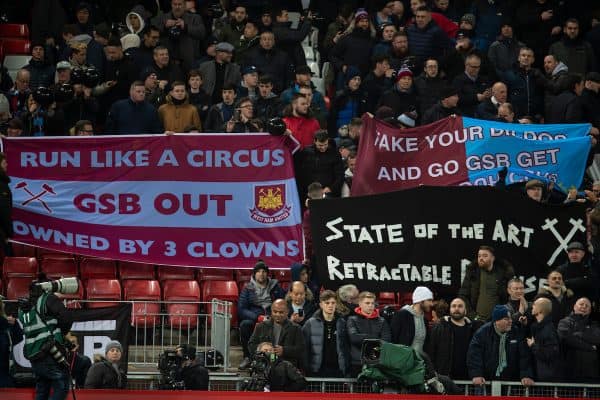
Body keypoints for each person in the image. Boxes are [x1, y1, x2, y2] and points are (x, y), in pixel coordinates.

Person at [19, 274, 74, 400]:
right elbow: (66, 318)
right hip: (50, 352)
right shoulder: (47, 298)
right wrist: (60, 334)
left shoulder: (24, 307)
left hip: (34, 353)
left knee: (42, 389)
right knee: (62, 385)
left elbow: (41, 328)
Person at [467, 305, 534, 387]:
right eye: (506, 319)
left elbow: (524, 356)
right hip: (486, 383)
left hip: (511, 383)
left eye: (510, 318)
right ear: (496, 321)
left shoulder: (516, 332)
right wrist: (476, 374)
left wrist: (526, 375)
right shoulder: (482, 333)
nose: (510, 321)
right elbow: (474, 355)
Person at [238, 260, 286, 369]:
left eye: (264, 271)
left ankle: (275, 360)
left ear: (267, 273)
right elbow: (241, 309)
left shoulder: (275, 286)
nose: (261, 274)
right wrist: (256, 317)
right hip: (255, 317)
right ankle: (248, 357)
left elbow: (283, 301)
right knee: (245, 325)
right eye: (258, 271)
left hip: (273, 316)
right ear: (254, 274)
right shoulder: (248, 288)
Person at [459, 245, 515, 321]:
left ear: (492, 258)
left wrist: (504, 315)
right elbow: (463, 295)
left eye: (485, 256)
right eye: (479, 256)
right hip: (478, 320)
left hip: (498, 320)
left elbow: (511, 296)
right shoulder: (473, 273)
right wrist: (473, 316)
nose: (481, 258)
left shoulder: (503, 274)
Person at [302, 290, 349, 377]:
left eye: (333, 303)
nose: (330, 305)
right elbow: (304, 348)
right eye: (327, 303)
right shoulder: (310, 323)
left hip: (337, 370)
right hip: (316, 370)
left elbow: (346, 347)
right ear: (321, 305)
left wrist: (345, 366)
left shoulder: (342, 323)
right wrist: (307, 367)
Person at [248, 299, 305, 369]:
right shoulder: (261, 326)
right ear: (271, 311)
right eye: (275, 312)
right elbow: (251, 345)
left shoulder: (296, 328)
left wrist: (284, 351)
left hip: (287, 369)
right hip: (264, 367)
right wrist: (261, 348)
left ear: (287, 312)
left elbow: (301, 350)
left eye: (281, 312)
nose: (277, 315)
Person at [426, 298, 474, 380]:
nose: (456, 309)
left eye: (460, 306)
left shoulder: (472, 329)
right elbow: (431, 352)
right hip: (444, 377)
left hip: (467, 378)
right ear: (450, 309)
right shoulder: (440, 327)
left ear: (465, 310)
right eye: (454, 306)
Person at [345, 291, 391, 376]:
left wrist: (366, 339)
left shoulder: (382, 321)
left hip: (377, 363)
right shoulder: (352, 319)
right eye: (367, 303)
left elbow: (386, 341)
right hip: (357, 363)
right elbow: (354, 338)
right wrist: (376, 338)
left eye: (372, 303)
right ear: (360, 304)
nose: (370, 305)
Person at [153, 0, 206, 71]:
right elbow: (152, 33)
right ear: (171, 5)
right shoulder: (162, 18)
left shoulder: (195, 18)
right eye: (175, 4)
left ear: (184, 5)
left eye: (179, 4)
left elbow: (201, 33)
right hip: (166, 61)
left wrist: (185, 27)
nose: (177, 7)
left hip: (188, 61)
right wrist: (165, 27)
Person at [557, 297, 600, 383]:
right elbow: (567, 339)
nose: (584, 307)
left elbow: (597, 339)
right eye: (581, 304)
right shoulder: (564, 322)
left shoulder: (595, 324)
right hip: (570, 372)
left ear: (590, 310)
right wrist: (590, 347)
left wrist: (579, 334)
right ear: (574, 307)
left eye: (587, 306)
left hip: (591, 372)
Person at [295, 130, 345, 201]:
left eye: (325, 144)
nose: (323, 147)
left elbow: (340, 174)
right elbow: (300, 173)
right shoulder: (306, 152)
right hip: (310, 193)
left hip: (330, 193)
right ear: (315, 141)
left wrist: (331, 188)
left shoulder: (335, 153)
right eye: (320, 145)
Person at [391, 286, 433, 355]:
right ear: (420, 301)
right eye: (429, 300)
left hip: (419, 363)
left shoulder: (425, 320)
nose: (432, 304)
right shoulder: (401, 315)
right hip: (403, 362)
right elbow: (393, 341)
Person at [527, 297, 561, 381]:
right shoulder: (536, 326)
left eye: (534, 305)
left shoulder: (549, 329)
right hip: (538, 375)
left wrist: (532, 345)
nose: (532, 307)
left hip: (547, 377)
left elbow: (549, 354)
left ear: (540, 310)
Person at [452, 53, 492, 117]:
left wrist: (488, 95)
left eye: (478, 67)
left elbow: (489, 96)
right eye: (474, 67)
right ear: (466, 65)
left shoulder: (484, 80)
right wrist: (476, 98)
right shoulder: (458, 80)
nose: (476, 69)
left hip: (483, 114)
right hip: (465, 114)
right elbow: (457, 99)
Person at [0, 295, 23, 388]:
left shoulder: (7, 324)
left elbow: (18, 338)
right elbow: (18, 338)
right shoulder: (6, 324)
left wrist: (13, 324)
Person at [0, 153, 13, 257]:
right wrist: (8, 233)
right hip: (1, 233)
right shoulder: (1, 185)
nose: (7, 164)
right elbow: (4, 210)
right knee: (7, 262)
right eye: (4, 162)